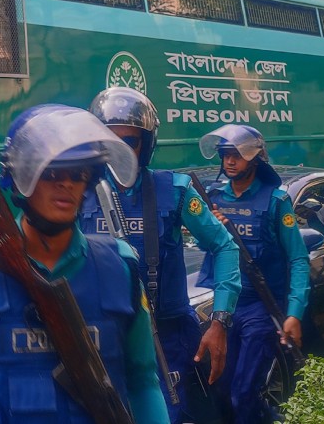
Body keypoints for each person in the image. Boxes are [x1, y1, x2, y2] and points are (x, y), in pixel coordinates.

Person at [0, 104, 170, 424]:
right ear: (19, 177)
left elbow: (143, 381)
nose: (66, 184)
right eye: (51, 173)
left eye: (79, 174)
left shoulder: (121, 270)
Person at [80, 87, 240, 423]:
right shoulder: (78, 193)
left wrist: (220, 322)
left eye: (131, 141)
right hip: (100, 338)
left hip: (169, 338)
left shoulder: (177, 190)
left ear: (147, 145)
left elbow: (224, 246)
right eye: (110, 142)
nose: (121, 151)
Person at [197, 124, 309, 424]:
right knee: (219, 390)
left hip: (260, 307)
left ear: (256, 158)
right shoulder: (214, 198)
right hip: (224, 307)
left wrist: (294, 312)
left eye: (236, 155)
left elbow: (298, 258)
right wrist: (212, 229)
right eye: (224, 155)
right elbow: (202, 245)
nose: (229, 162)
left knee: (243, 393)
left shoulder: (276, 200)